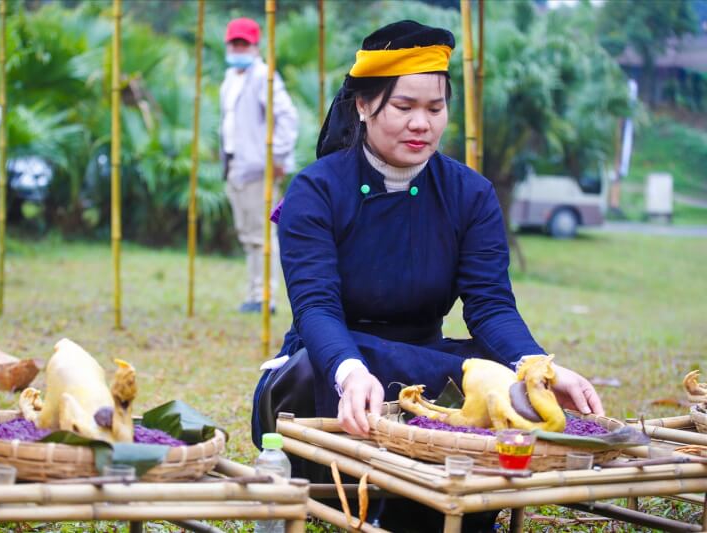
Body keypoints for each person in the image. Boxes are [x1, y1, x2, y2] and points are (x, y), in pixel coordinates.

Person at [251, 20, 604, 532]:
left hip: (424, 369)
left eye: (435, 109)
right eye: (404, 107)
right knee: (309, 374)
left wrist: (534, 367)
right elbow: (317, 308)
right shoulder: (316, 190)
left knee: (498, 380)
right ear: (363, 106)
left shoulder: (471, 194)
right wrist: (350, 374)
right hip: (332, 362)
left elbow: (489, 305)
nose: (422, 124)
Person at [219, 17, 299, 313]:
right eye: (234, 43)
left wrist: (276, 157)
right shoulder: (231, 78)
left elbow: (287, 118)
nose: (238, 48)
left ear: (254, 46)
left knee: (260, 235)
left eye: (244, 43)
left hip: (257, 168)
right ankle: (255, 293)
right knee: (247, 234)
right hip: (234, 165)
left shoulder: (264, 76)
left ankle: (264, 296)